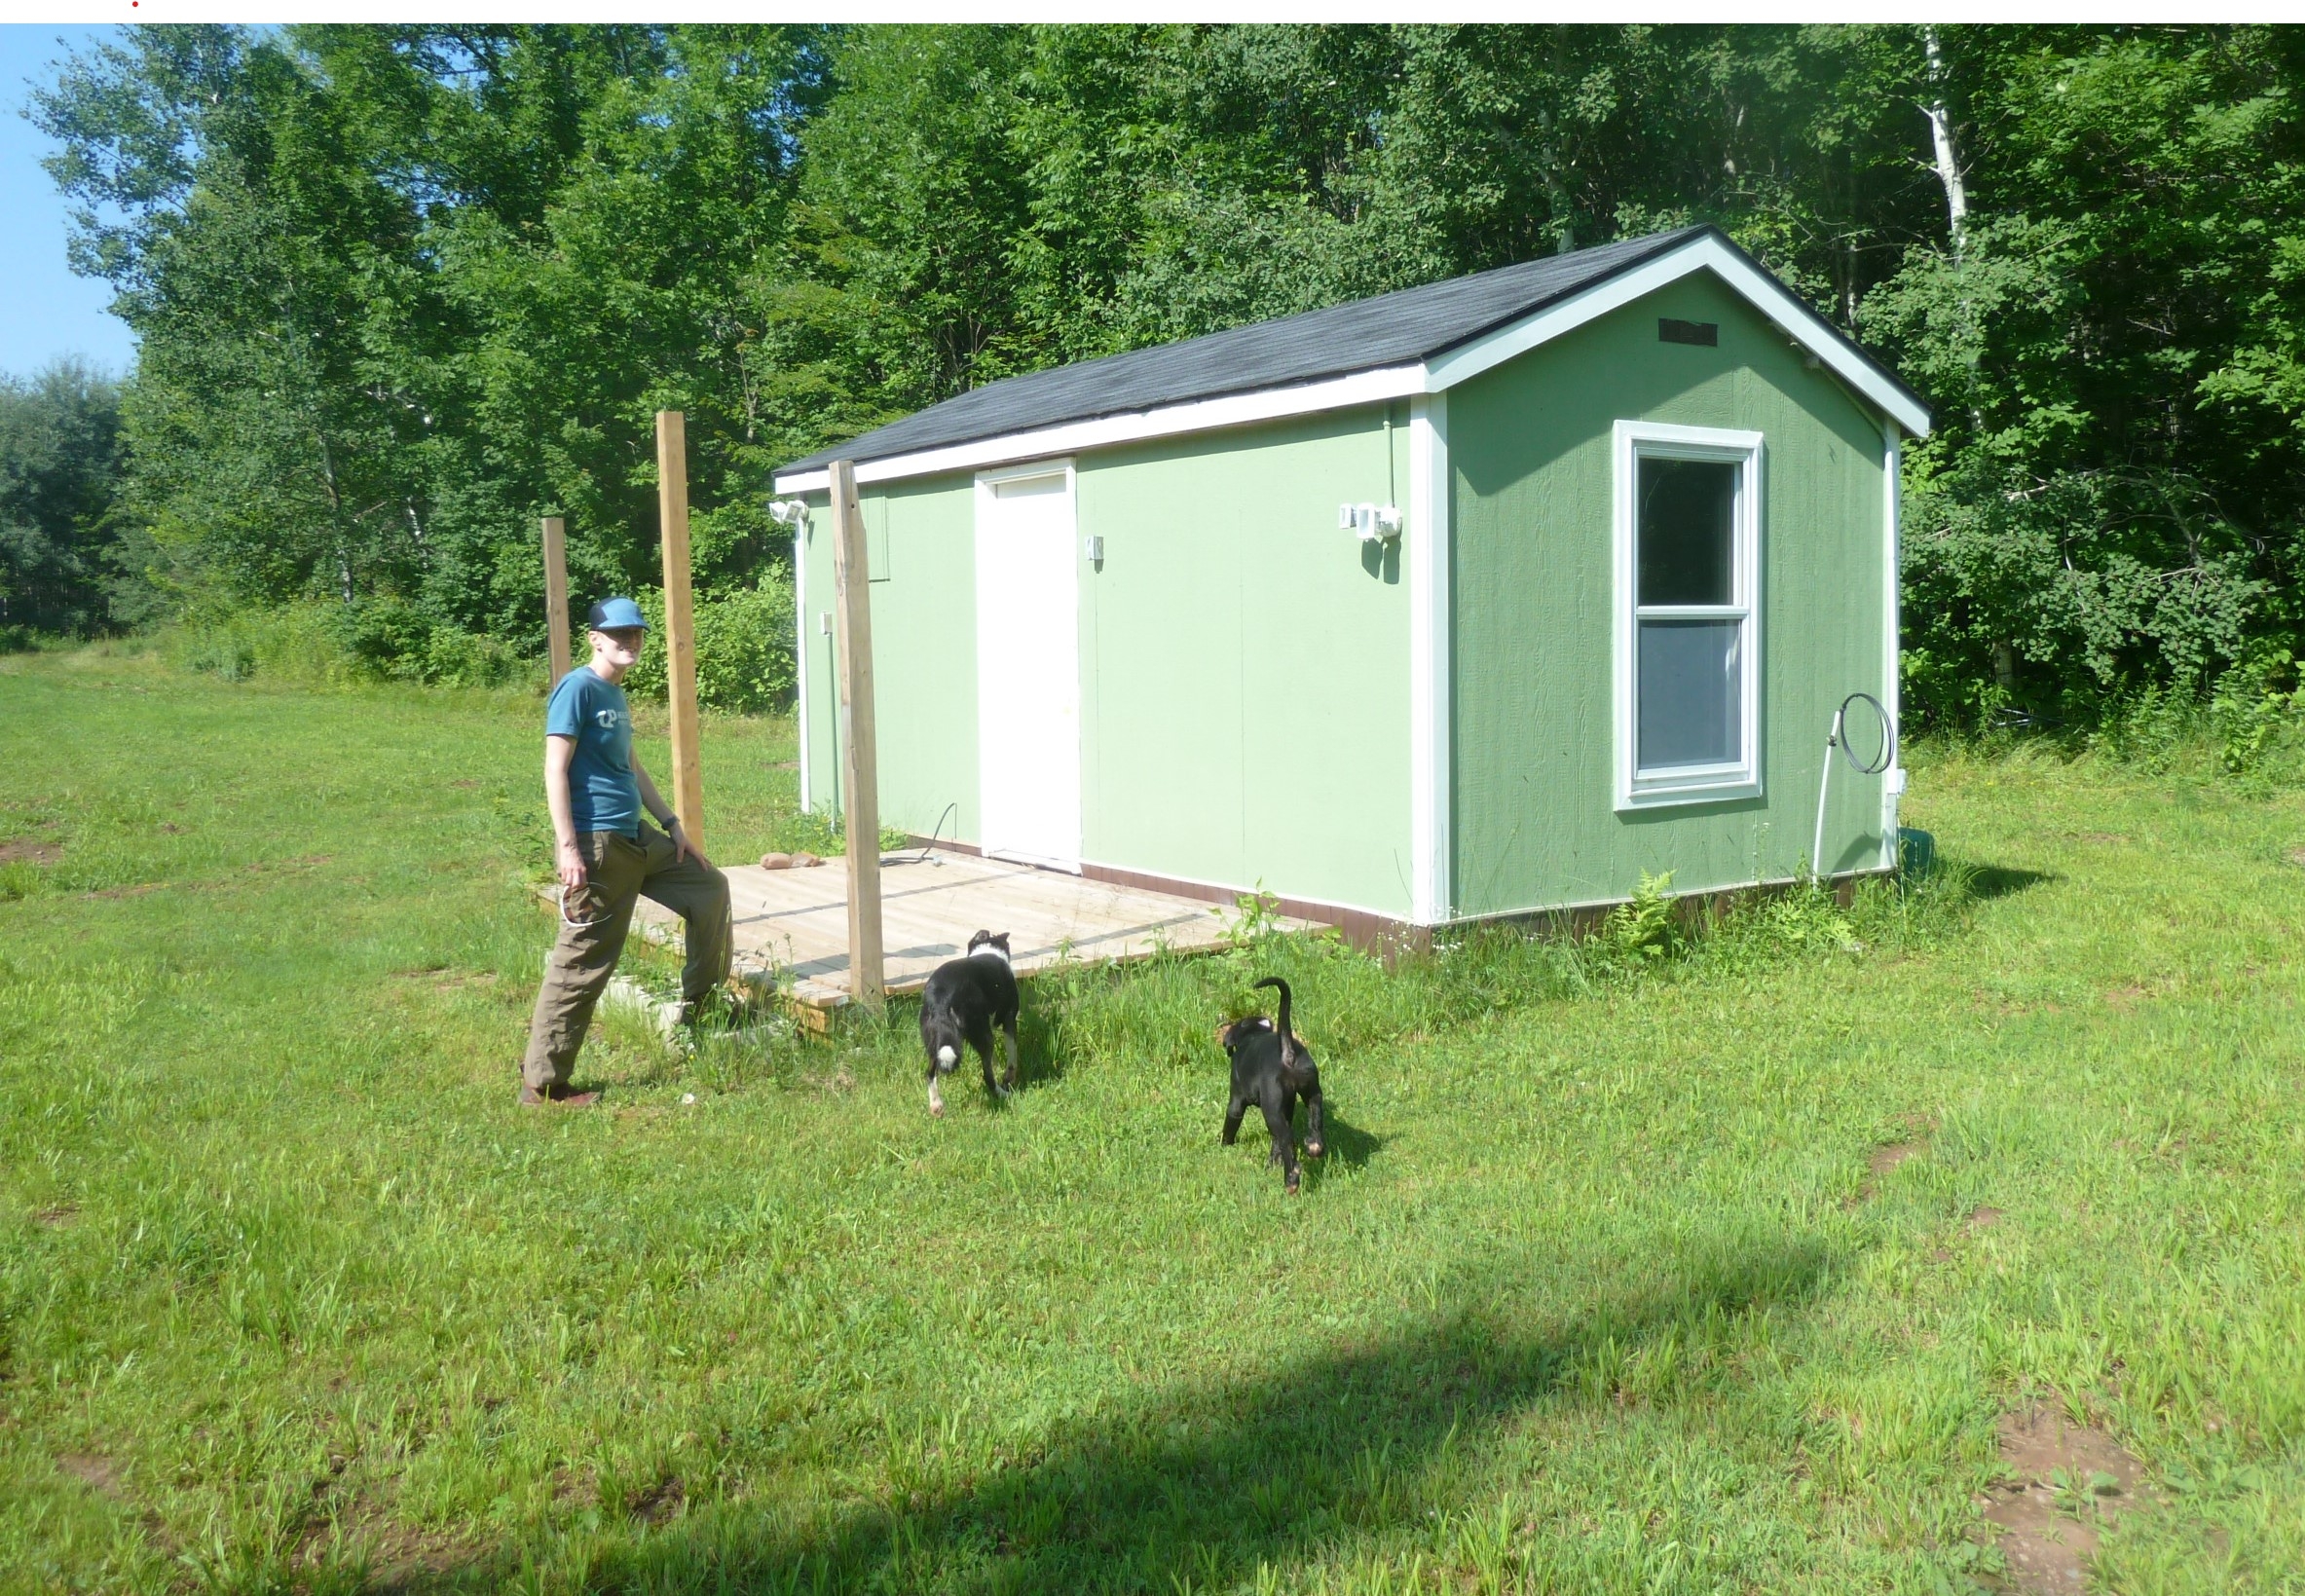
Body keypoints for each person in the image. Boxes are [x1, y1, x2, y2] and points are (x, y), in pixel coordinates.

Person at [518, 597, 731, 1105]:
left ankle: (702, 1009)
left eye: (635, 632)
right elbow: (554, 768)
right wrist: (568, 848)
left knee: (709, 888)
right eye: (618, 633)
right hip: (598, 844)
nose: (629, 640)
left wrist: (672, 825)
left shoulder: (614, 693)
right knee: (583, 960)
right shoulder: (577, 688)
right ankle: (543, 1083)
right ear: (594, 639)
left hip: (636, 837)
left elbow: (631, 767)